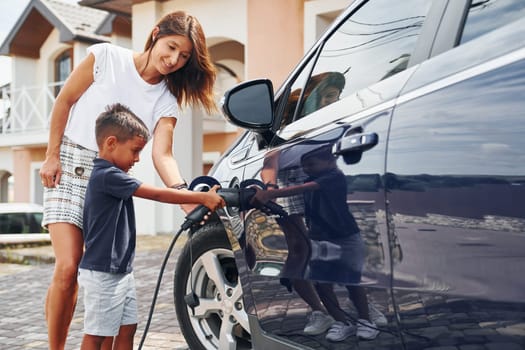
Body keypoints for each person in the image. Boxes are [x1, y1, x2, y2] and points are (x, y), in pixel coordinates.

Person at [38, 11, 217, 349]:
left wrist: (185, 196)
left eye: (184, 56)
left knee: (98, 274)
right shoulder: (106, 57)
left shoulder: (167, 98)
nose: (174, 60)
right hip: (69, 166)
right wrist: (51, 153)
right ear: (155, 34)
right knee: (67, 267)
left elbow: (162, 154)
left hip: (110, 183)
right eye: (172, 47)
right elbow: (65, 101)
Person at [78, 103, 224, 350]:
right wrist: (201, 197)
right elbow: (156, 194)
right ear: (111, 143)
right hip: (103, 272)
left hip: (120, 270)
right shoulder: (107, 175)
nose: (136, 159)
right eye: (135, 151)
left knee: (127, 328)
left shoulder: (113, 175)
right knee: (98, 335)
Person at [252, 145, 380, 342]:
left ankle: (365, 320)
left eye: (311, 164)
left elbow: (304, 187)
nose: (306, 169)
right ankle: (341, 322)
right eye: (304, 166)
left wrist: (271, 194)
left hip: (345, 239)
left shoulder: (333, 177)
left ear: (330, 162)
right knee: (322, 284)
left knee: (351, 281)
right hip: (320, 238)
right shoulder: (313, 177)